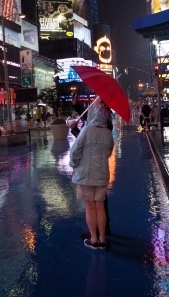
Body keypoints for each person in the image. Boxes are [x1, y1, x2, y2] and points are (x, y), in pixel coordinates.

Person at [69, 100, 114, 250]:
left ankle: (93, 239)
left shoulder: (87, 130)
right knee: (100, 207)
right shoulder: (108, 132)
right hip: (102, 174)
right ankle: (102, 239)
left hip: (85, 175)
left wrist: (74, 164)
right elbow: (108, 152)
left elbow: (75, 150)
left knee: (90, 207)